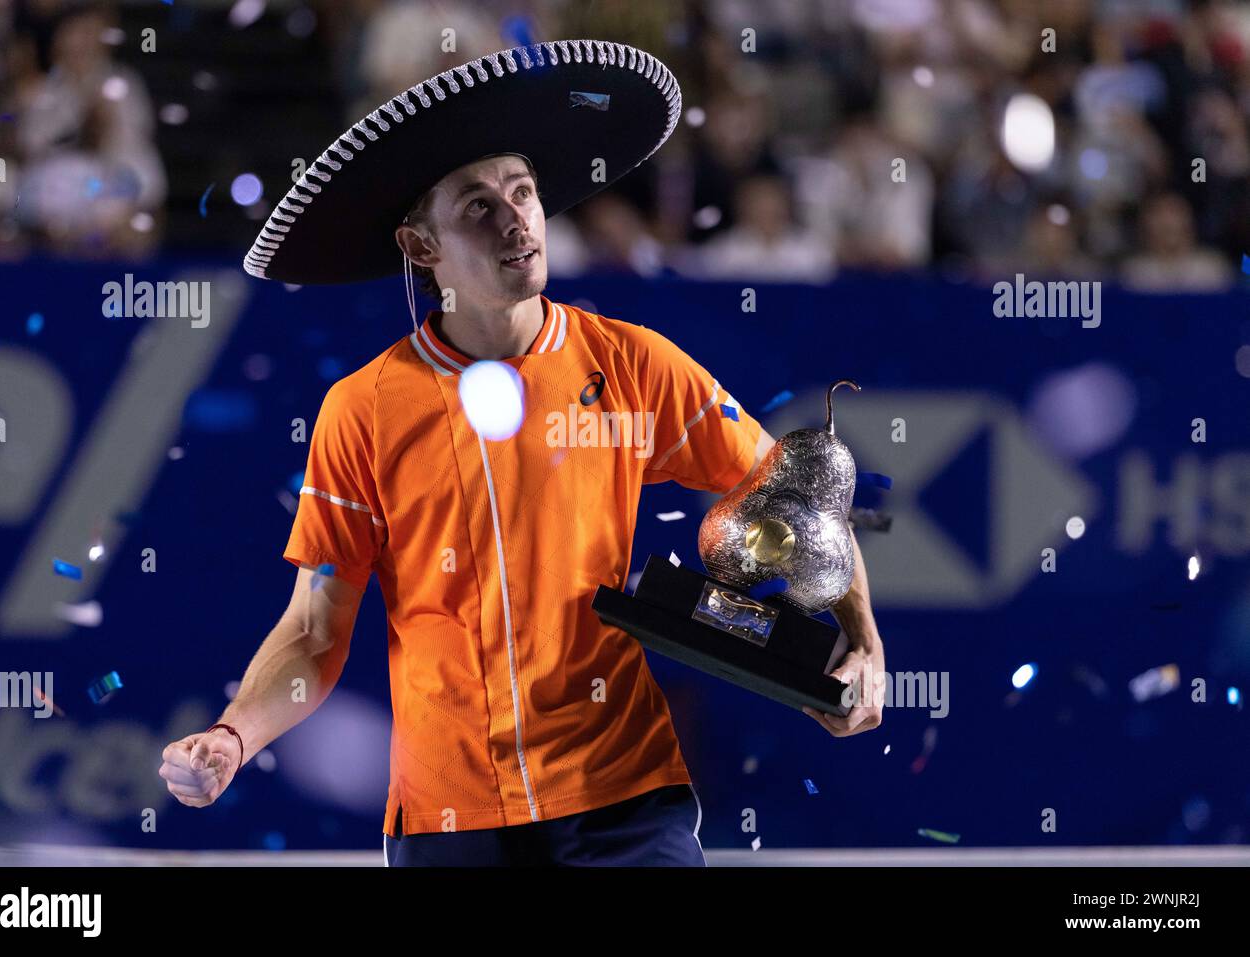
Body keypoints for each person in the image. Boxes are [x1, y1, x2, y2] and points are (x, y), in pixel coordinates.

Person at [160, 39, 884, 866]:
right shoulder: (361, 411)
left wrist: (863, 642)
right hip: (448, 818)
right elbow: (315, 630)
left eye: (523, 192)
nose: (514, 220)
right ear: (420, 247)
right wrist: (233, 736)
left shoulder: (634, 364)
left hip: (623, 798)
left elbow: (799, 497)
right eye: (477, 206)